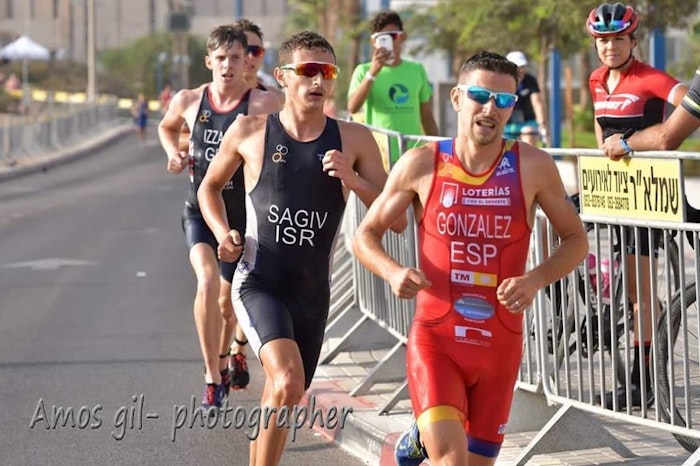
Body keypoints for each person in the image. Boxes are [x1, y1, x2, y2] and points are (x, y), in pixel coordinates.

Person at [352, 50, 588, 466]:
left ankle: (422, 436)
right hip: (437, 339)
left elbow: (575, 240)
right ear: (457, 98)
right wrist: (392, 272)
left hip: (500, 347)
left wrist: (535, 279)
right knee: (450, 459)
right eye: (480, 96)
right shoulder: (422, 163)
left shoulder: (533, 166)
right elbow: (365, 236)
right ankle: (431, 433)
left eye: (504, 100)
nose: (490, 109)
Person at [198, 31, 402, 466]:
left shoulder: (354, 140)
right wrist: (222, 233)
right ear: (282, 76)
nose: (318, 81)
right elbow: (209, 187)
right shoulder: (250, 131)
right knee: (288, 381)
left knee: (284, 392)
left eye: (327, 72)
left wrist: (354, 180)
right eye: (308, 71)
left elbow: (397, 218)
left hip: (312, 294)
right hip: (259, 282)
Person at [157, 24, 281, 409]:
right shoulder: (190, 100)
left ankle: (230, 355)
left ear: (247, 63)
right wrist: (173, 153)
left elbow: (293, 132)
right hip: (199, 211)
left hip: (240, 219)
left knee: (228, 303)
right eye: (221, 58)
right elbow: (166, 126)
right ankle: (212, 375)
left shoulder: (262, 104)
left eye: (236, 58)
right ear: (209, 61)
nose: (228, 65)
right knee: (207, 283)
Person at [586, 2, 688, 410]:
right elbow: (601, 129)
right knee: (550, 219)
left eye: (618, 40)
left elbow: (688, 102)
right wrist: (601, 160)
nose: (610, 47)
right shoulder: (596, 79)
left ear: (633, 41)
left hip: (646, 195)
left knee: (640, 294)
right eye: (603, 41)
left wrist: (633, 144)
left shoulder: (649, 77)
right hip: (613, 192)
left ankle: (641, 380)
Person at [346, 10, 439, 167]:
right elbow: (352, 107)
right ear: (373, 41)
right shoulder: (363, 71)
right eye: (381, 37)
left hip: (413, 154)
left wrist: (439, 150)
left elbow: (427, 115)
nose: (388, 41)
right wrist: (373, 73)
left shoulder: (417, 70)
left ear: (403, 37)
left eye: (392, 36)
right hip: (379, 155)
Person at [602, 65, 700, 156]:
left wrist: (625, 142)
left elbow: (666, 138)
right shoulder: (597, 77)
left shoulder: (650, 77)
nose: (611, 50)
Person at [235, 18, 286, 106]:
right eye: (246, 50)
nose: (251, 56)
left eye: (256, 51)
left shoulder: (278, 98)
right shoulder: (214, 98)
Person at [504, 51, 548, 146]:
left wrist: (542, 124)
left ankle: (529, 155)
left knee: (529, 133)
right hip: (506, 123)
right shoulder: (501, 81)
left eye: (523, 66)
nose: (521, 70)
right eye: (517, 67)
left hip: (527, 121)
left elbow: (537, 103)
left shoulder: (530, 81)